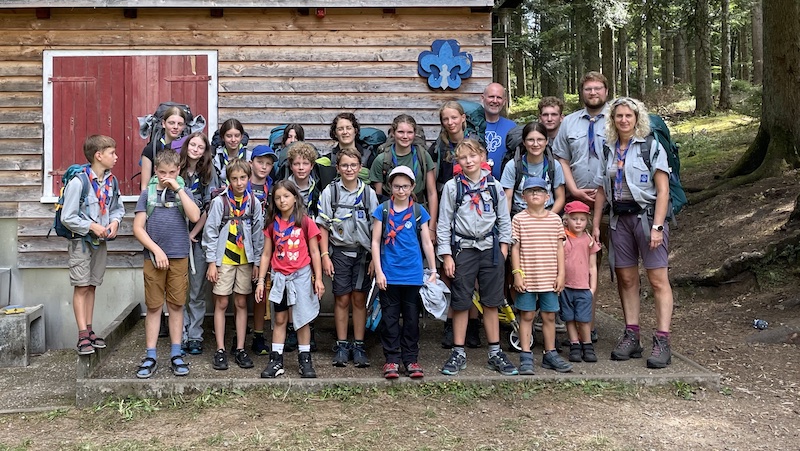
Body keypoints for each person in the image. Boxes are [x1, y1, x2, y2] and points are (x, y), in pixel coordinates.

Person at [592, 97, 674, 369]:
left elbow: (663, 190)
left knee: (658, 279)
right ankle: (632, 334)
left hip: (647, 217)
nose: (624, 120)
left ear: (637, 118)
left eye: (629, 116)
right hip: (619, 220)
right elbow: (602, 189)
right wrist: (595, 223)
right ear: (612, 120)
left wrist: (658, 226)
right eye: (619, 116)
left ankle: (662, 340)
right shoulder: (608, 149)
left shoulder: (650, 146)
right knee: (626, 279)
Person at [436, 139, 516, 376]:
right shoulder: (453, 187)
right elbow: (444, 223)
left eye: (473, 156)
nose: (469, 161)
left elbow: (504, 219)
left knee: (492, 301)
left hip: (490, 248)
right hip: (464, 249)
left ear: (482, 156)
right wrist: (446, 255)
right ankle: (458, 352)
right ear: (457, 161)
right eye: (463, 158)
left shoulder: (494, 186)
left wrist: (504, 249)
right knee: (461, 301)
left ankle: (494, 352)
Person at [552, 71, 610, 343]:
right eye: (588, 89)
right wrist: (573, 188)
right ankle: (580, 325)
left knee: (603, 267)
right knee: (576, 264)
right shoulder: (570, 123)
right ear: (581, 92)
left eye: (598, 88)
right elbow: (561, 157)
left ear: (606, 91)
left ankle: (592, 322)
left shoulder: (616, 118)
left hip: (611, 202)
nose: (593, 93)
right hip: (576, 204)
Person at [132, 150, 201, 378]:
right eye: (162, 173)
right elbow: (138, 228)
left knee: (176, 306)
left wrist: (179, 189)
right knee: (153, 307)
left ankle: (176, 353)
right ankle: (151, 355)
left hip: (179, 256)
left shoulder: (184, 192)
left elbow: (194, 216)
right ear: (156, 172)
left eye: (172, 172)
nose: (167, 177)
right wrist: (156, 250)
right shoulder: (148, 194)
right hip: (154, 259)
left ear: (179, 170)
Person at [61, 135, 125, 355]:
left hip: (100, 242)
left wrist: (115, 222)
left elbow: (118, 207)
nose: (116, 157)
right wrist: (91, 226)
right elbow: (67, 217)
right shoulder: (79, 182)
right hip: (81, 242)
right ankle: (81, 335)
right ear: (99, 155)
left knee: (92, 285)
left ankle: (89, 329)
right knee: (81, 286)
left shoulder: (111, 181)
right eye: (112, 153)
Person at [371, 166, 437, 379]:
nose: (401, 190)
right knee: (389, 319)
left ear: (412, 187)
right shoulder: (382, 210)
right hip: (389, 275)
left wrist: (433, 270)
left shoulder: (419, 212)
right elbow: (375, 241)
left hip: (412, 275)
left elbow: (426, 242)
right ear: (391, 186)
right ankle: (391, 360)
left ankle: (410, 359)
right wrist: (379, 272)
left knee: (411, 320)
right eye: (397, 186)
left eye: (405, 186)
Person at [255, 180, 325, 378]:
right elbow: (266, 254)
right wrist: (261, 280)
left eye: (286, 196)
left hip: (301, 277)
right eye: (277, 198)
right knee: (280, 318)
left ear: (295, 197)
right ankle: (276, 360)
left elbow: (314, 251)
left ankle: (305, 360)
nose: (282, 201)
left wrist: (318, 278)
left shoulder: (305, 222)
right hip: (280, 278)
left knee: (302, 320)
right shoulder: (272, 224)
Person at [317, 148, 379, 368]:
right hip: (340, 253)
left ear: (360, 167)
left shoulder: (369, 193)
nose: (349, 169)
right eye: (344, 165)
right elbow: (322, 226)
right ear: (338, 168)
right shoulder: (330, 192)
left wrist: (375, 258)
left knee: (359, 299)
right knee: (342, 298)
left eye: (353, 165)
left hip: (363, 254)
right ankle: (342, 344)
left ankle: (359, 345)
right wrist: (325, 255)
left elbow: (376, 228)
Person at [203, 158, 264, 370]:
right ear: (228, 179)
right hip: (223, 260)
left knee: (241, 303)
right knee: (220, 303)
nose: (239, 183)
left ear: (248, 178)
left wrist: (257, 261)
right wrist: (211, 262)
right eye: (234, 179)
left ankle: (239, 348)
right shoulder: (221, 202)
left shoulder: (253, 203)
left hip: (245, 260)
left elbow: (258, 234)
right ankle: (220, 349)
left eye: (243, 178)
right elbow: (210, 233)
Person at [510, 177, 572, 374]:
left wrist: (561, 274)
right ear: (523, 196)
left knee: (549, 316)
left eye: (539, 191)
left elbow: (560, 249)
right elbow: (515, 248)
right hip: (528, 276)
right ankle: (526, 355)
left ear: (547, 197)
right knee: (526, 315)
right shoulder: (519, 219)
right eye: (530, 191)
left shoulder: (555, 220)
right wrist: (517, 274)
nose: (535, 194)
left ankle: (550, 353)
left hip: (549, 277)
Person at [178, 132, 218, 356]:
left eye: (200, 146)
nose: (195, 149)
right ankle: (180, 334)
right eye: (192, 144)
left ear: (205, 151)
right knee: (178, 290)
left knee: (196, 291)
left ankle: (195, 335)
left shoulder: (209, 174)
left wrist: (192, 233)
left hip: (198, 238)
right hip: (175, 237)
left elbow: (209, 207)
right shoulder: (177, 170)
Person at [369, 114, 438, 240]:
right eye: (401, 132)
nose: (405, 136)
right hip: (392, 218)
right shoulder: (382, 160)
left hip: (419, 214)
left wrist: (432, 227)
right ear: (393, 133)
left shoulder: (423, 157)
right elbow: (378, 197)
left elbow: (432, 192)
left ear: (414, 133)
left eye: (409, 132)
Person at [284, 142, 322, 350]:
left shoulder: (318, 187)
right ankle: (291, 328)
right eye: (296, 163)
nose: (300, 167)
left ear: (311, 165)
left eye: (305, 163)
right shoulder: (284, 187)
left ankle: (309, 327)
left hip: (311, 242)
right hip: (288, 244)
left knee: (309, 287)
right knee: (290, 288)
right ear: (290, 165)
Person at [560, 201, 600, 363]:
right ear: (566, 220)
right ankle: (574, 344)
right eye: (574, 219)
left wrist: (593, 287)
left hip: (583, 287)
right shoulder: (562, 239)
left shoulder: (589, 241)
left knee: (584, 319)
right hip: (566, 287)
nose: (578, 222)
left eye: (582, 219)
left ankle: (587, 345)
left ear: (587, 221)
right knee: (569, 318)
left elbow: (593, 266)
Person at [501, 121, 566, 216]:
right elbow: (508, 198)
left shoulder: (554, 165)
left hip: (548, 214)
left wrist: (548, 218)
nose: (535, 144)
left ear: (546, 141)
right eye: (530, 140)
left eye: (540, 139)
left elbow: (560, 198)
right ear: (524, 142)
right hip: (520, 215)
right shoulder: (513, 166)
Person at [248, 144, 277, 355]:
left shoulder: (274, 188)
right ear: (251, 163)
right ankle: (238, 334)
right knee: (240, 293)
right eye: (260, 162)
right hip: (241, 244)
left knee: (261, 290)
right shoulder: (240, 184)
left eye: (268, 164)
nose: (264, 167)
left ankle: (259, 334)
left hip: (266, 246)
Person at [431, 101, 481, 188]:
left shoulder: (476, 143)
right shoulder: (438, 147)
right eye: (445, 119)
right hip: (446, 196)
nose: (450, 122)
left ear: (463, 118)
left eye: (454, 117)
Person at [317, 113, 373, 188]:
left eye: (349, 128)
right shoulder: (329, 159)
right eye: (340, 129)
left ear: (355, 131)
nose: (345, 132)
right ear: (335, 133)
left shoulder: (369, 157)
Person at [140, 106, 187, 191]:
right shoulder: (150, 149)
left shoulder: (187, 148)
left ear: (183, 126)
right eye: (171, 123)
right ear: (163, 124)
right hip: (155, 198)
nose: (175, 127)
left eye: (180, 124)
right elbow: (144, 186)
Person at [482, 83, 517, 180]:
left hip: (505, 187)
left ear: (504, 101)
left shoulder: (512, 127)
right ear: (483, 98)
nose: (495, 101)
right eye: (491, 97)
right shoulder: (472, 126)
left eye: (499, 97)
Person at [212, 118, 250, 182]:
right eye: (229, 136)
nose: (233, 140)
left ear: (242, 136)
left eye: (237, 136)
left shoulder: (249, 157)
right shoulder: (216, 158)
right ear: (222, 137)